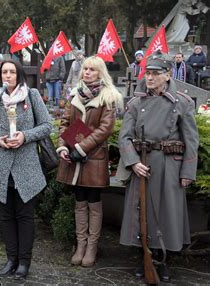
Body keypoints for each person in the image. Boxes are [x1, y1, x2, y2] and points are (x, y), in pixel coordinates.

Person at [118, 51, 199, 283]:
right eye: (148, 73)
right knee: (139, 212)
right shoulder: (136, 102)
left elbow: (191, 140)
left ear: (167, 75)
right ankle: (142, 256)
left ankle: (163, 262)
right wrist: (133, 162)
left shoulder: (182, 103)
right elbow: (124, 137)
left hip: (169, 167)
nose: (149, 78)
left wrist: (187, 172)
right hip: (142, 164)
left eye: (155, 74)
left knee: (165, 215)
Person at [0, 60, 53, 279]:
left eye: (12, 72)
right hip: (1, 166)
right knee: (5, 217)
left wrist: (25, 136)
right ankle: (11, 259)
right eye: (4, 72)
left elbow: (47, 125)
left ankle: (24, 262)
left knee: (24, 216)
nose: (8, 75)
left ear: (19, 75)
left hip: (26, 165)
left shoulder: (31, 96)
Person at [56, 56, 123, 267]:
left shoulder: (108, 96)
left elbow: (105, 129)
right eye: (85, 69)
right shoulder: (75, 94)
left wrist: (81, 147)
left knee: (93, 202)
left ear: (100, 72)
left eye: (92, 69)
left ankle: (92, 246)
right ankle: (81, 244)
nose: (87, 72)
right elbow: (65, 122)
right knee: (79, 201)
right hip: (75, 158)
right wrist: (62, 145)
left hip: (94, 157)